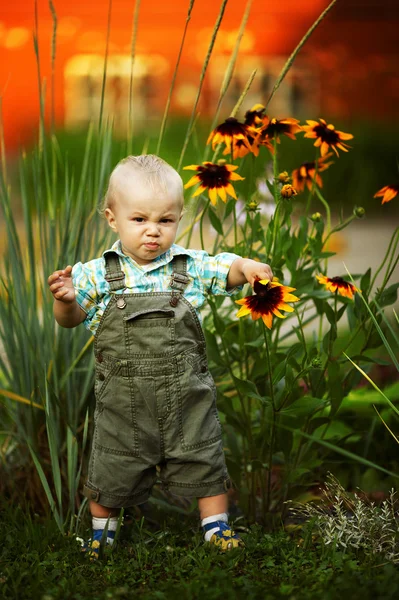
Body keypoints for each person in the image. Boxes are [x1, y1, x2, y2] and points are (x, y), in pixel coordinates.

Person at [48, 155, 273, 555]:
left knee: (204, 455)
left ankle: (215, 526)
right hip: (123, 403)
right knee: (112, 461)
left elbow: (227, 268)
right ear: (112, 218)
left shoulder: (189, 266)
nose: (152, 231)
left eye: (165, 221)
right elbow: (71, 320)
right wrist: (65, 300)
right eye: (139, 220)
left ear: (179, 219)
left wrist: (249, 267)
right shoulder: (96, 273)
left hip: (186, 398)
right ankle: (102, 531)